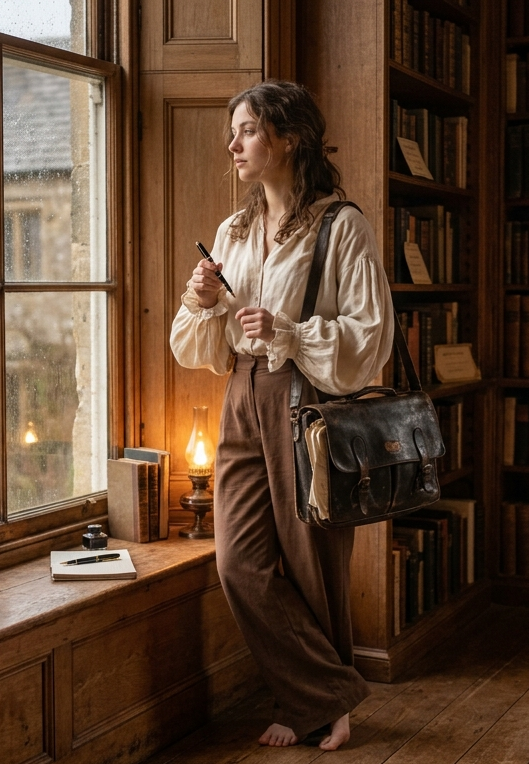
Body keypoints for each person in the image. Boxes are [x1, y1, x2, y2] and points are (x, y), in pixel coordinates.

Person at [168, 80, 395, 750]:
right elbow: (199, 345)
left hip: (309, 400)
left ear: (287, 137)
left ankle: (312, 704)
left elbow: (370, 334)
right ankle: (322, 690)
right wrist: (204, 298)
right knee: (238, 562)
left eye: (246, 130)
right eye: (233, 132)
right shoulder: (232, 231)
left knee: (312, 556)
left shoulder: (341, 225)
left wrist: (291, 332)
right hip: (242, 398)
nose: (233, 144)